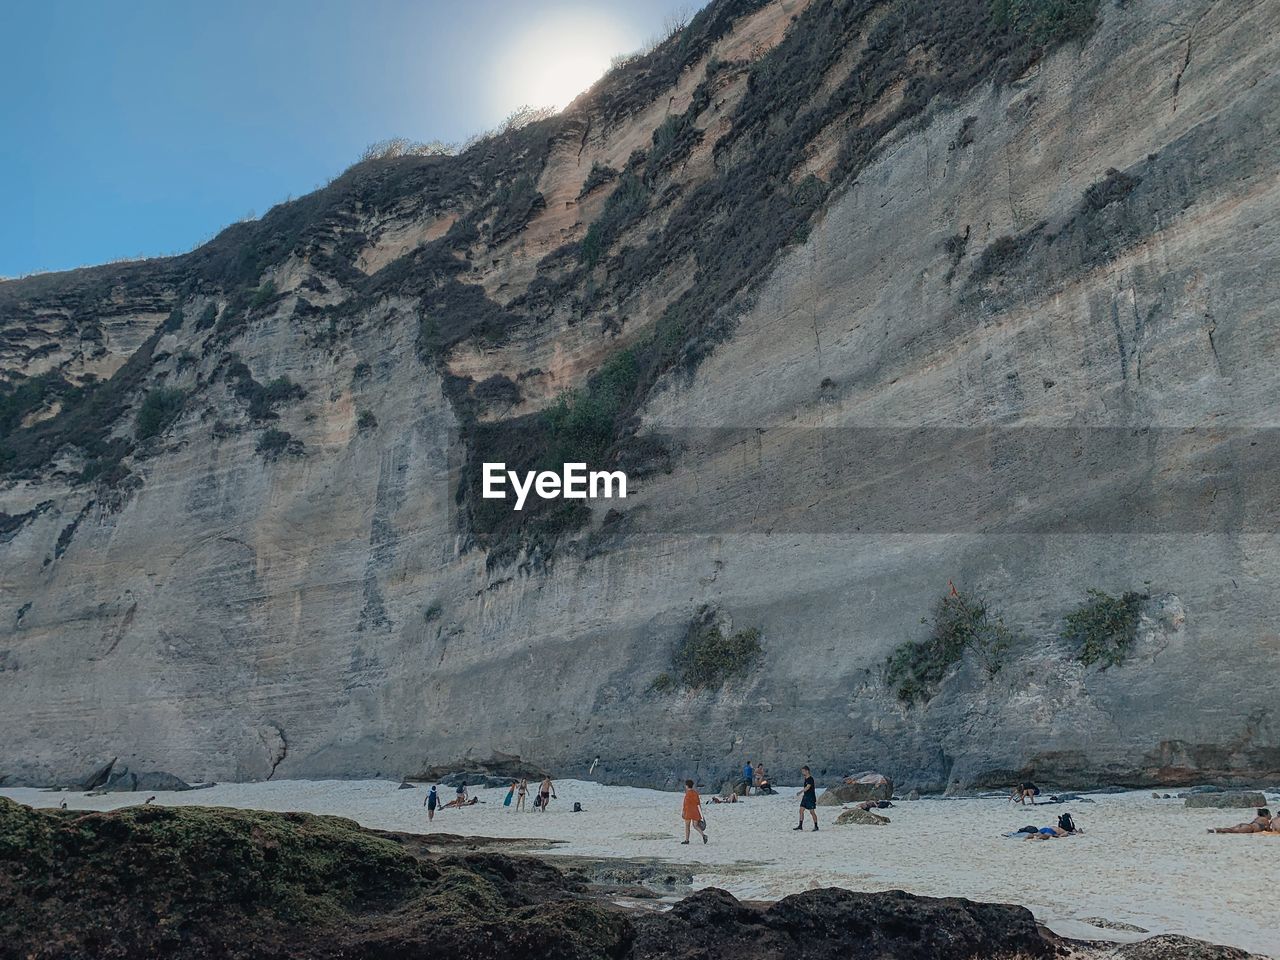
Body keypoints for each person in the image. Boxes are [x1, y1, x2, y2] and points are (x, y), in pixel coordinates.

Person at [681, 779, 708, 844]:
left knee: (687, 826)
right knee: (695, 825)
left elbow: (685, 804)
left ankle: (687, 840)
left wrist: (683, 811)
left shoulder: (687, 794)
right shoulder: (695, 793)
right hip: (695, 811)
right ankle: (703, 835)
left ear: (687, 786)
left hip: (688, 811)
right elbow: (698, 802)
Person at [1208, 808, 1272, 833]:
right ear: (1265, 814)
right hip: (1249, 828)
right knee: (1232, 831)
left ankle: (1215, 829)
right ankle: (1216, 830)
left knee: (1231, 829)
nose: (1271, 816)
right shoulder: (1265, 819)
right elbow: (1269, 830)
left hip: (1246, 825)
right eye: (1270, 814)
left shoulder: (1257, 818)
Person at [795, 765, 818, 831]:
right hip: (805, 797)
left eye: (803, 771)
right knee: (801, 810)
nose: (802, 772)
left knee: (812, 812)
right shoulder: (806, 778)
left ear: (807, 771)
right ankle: (800, 826)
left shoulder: (810, 779)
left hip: (810, 797)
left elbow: (808, 787)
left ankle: (816, 826)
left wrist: (800, 792)